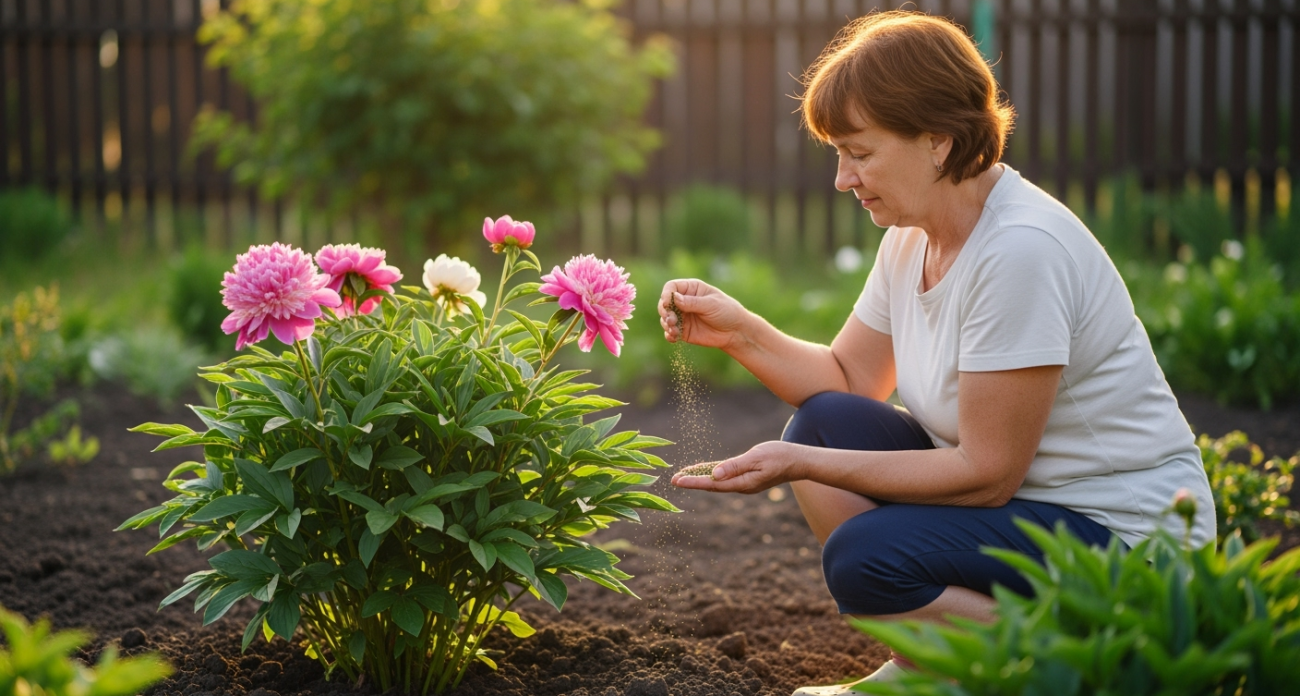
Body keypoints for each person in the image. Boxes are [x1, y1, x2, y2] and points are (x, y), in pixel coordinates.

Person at [659, 10, 1216, 695]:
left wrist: (798, 464)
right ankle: (933, 665)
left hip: (1124, 544)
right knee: (825, 422)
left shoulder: (1020, 251)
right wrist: (739, 333)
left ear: (938, 142)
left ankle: (1071, 665)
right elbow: (849, 379)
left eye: (859, 153)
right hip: (1031, 516)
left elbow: (987, 474)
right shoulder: (913, 236)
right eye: (838, 154)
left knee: (864, 555)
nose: (842, 179)